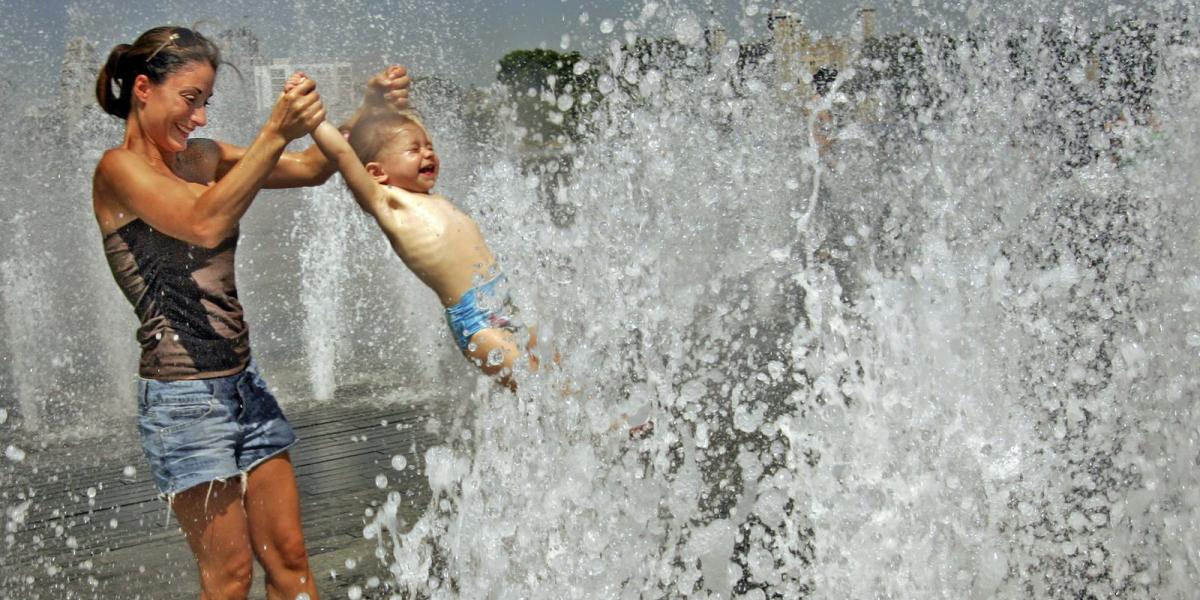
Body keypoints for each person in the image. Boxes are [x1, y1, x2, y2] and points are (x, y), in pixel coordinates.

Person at [91, 26, 410, 599]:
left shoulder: (203, 158)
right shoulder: (118, 171)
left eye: (206, 102)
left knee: (290, 559)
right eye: (190, 99)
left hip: (245, 385)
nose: (201, 118)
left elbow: (313, 167)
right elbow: (203, 223)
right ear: (143, 88)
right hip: (182, 399)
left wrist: (369, 112)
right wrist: (271, 131)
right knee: (230, 577)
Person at [285, 73, 538, 391]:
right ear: (376, 172)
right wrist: (312, 117)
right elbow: (341, 154)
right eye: (414, 150)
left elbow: (407, 123)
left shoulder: (431, 198)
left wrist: (392, 105)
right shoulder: (388, 203)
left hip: (506, 305)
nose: (428, 154)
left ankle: (607, 431)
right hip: (477, 322)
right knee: (540, 390)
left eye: (429, 147)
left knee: (559, 386)